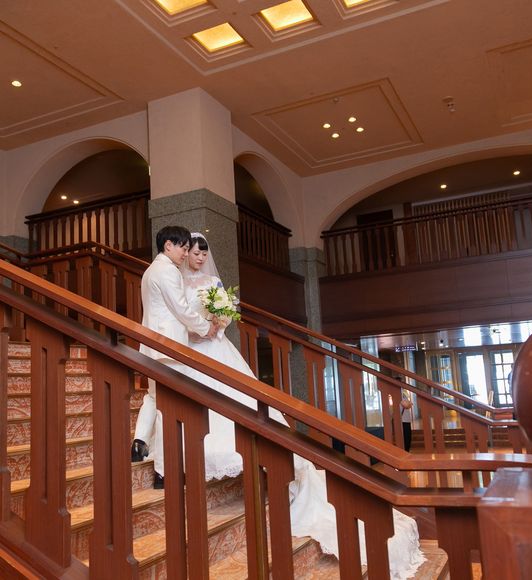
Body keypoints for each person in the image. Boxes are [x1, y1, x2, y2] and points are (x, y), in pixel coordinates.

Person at [179, 232, 425, 577]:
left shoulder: (213, 283)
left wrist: (218, 322)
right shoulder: (177, 283)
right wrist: (199, 328)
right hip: (192, 347)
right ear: (186, 253)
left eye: (205, 253)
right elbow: (179, 318)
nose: (201, 258)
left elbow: (226, 317)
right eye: (195, 252)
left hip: (217, 346)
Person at [131, 225, 219, 489]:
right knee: (167, 409)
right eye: (183, 247)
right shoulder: (168, 271)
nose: (185, 253)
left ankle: (139, 443)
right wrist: (205, 328)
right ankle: (163, 472)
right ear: (168, 245)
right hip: (168, 348)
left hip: (153, 346)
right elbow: (181, 309)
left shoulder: (151, 270)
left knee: (154, 397)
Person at [397, 377, 413, 453]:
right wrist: (408, 404)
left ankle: (406, 451)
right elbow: (406, 405)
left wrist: (409, 404)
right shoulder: (396, 392)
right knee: (405, 437)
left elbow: (410, 403)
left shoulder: (404, 391)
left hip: (406, 418)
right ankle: (404, 452)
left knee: (408, 437)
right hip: (401, 419)